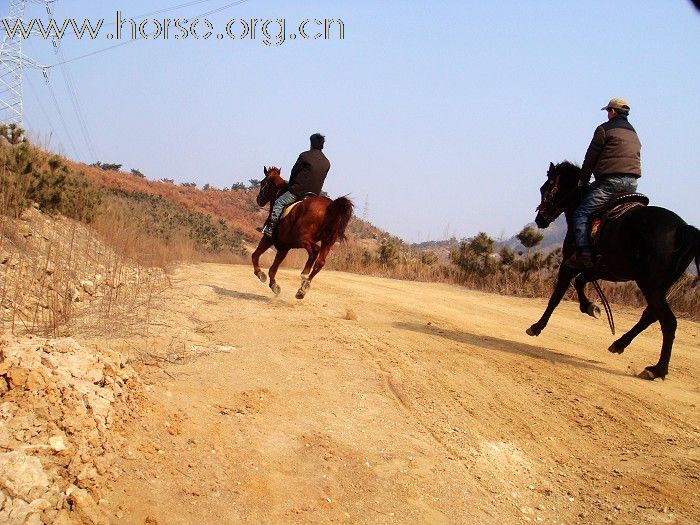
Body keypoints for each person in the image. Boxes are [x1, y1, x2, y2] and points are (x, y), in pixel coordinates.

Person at [567, 98, 642, 270]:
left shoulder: (604, 129)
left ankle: (584, 254)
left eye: (608, 111)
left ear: (613, 112)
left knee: (581, 213)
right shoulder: (633, 133)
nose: (607, 114)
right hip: (632, 184)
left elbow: (590, 157)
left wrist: (582, 181)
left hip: (610, 183)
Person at [260, 133, 331, 237]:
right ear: (322, 145)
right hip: (315, 194)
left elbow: (294, 172)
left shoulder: (305, 156)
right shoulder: (326, 162)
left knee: (279, 203)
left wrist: (291, 185)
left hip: (298, 191)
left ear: (311, 144)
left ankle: (270, 228)